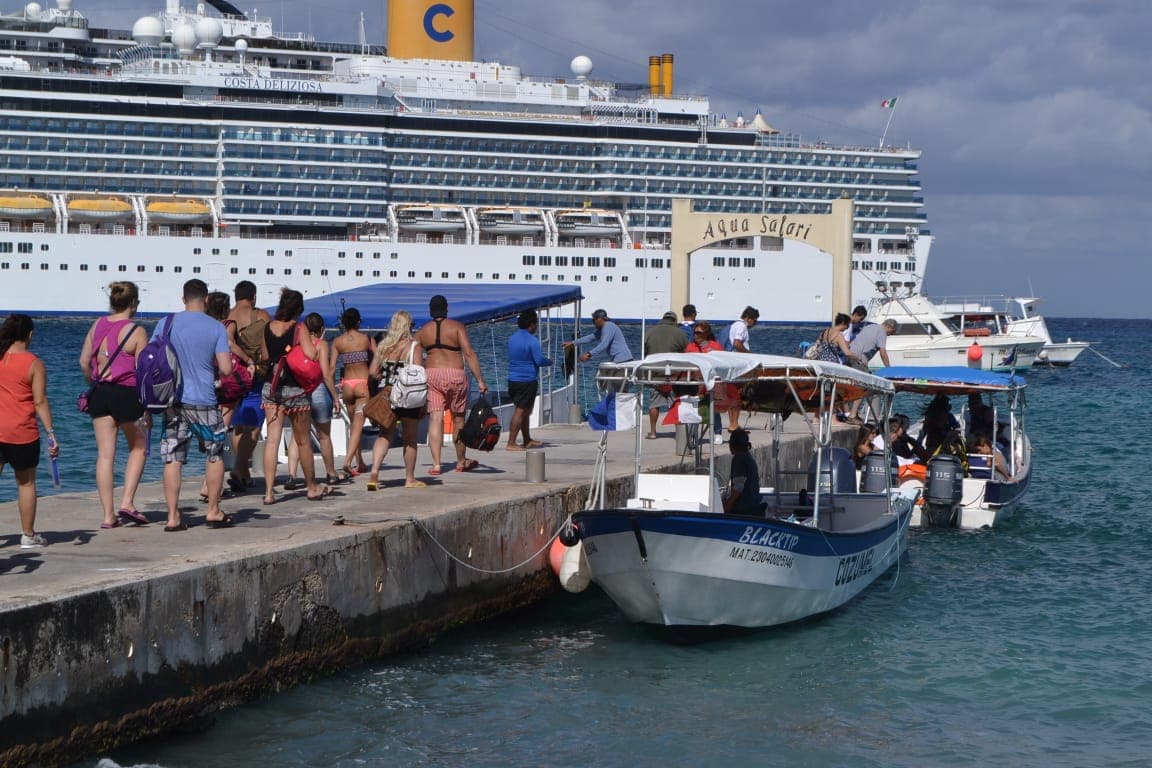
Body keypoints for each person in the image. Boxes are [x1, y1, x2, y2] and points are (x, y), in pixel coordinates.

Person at [156, 280, 233, 531]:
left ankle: (172, 517)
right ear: (207, 299)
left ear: (183, 299)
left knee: (173, 458)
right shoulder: (216, 328)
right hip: (205, 401)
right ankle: (213, 510)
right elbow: (226, 368)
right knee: (214, 454)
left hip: (173, 401)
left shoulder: (166, 323)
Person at [77, 282, 150, 529]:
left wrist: (93, 382)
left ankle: (108, 516)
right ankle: (127, 502)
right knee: (139, 446)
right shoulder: (137, 331)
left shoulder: (97, 324)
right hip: (127, 393)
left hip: (100, 393)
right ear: (134, 304)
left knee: (105, 455)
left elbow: (84, 362)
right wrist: (148, 406)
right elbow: (143, 372)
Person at [261, 288, 327, 504]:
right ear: (299, 309)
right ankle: (312, 487)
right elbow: (311, 354)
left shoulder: (267, 327)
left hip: (272, 387)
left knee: (272, 441)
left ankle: (269, 493)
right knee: (303, 442)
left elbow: (264, 356)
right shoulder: (299, 328)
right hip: (296, 390)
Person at [0, 314, 57, 548]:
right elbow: (40, 401)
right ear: (30, 335)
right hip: (21, 432)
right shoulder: (34, 363)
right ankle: (28, 535)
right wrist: (51, 433)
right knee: (25, 484)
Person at [416, 295, 488, 475]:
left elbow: (415, 358)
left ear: (430, 311)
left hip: (432, 374)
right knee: (458, 419)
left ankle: (436, 464)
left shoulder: (423, 331)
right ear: (447, 309)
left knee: (435, 419)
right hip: (455, 374)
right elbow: (469, 353)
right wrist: (480, 380)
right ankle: (461, 461)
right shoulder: (457, 327)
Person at [366, 310, 426, 490]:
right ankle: (409, 479)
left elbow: (371, 372)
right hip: (408, 396)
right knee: (410, 438)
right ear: (408, 326)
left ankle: (374, 474)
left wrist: (382, 378)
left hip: (387, 394)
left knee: (384, 435)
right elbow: (418, 373)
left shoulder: (384, 345)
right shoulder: (414, 346)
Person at [286, 313, 342, 487]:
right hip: (317, 390)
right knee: (324, 435)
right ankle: (331, 473)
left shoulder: (299, 343)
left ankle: (292, 475)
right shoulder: (321, 345)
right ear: (322, 329)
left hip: (300, 391)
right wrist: (335, 397)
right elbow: (325, 375)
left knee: (298, 437)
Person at [226, 280, 271, 493]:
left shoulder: (227, 317)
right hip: (256, 376)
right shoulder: (261, 315)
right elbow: (269, 343)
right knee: (253, 427)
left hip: (232, 376)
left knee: (238, 426)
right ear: (253, 296)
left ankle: (243, 474)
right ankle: (237, 470)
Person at [332, 307, 374, 477]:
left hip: (347, 385)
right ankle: (348, 462)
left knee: (353, 426)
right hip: (363, 384)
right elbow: (378, 358)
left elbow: (331, 368)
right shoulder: (367, 339)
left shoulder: (337, 342)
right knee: (358, 425)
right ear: (359, 322)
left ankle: (360, 462)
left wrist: (333, 393)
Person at [506, 309, 552, 451]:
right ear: (531, 325)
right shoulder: (532, 341)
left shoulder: (512, 338)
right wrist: (549, 361)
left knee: (524, 410)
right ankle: (511, 442)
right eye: (536, 324)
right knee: (521, 411)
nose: (536, 327)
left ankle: (527, 440)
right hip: (527, 380)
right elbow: (539, 360)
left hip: (513, 379)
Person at [643, 310, 687, 439]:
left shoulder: (650, 332)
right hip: (674, 375)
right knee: (676, 404)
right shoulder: (679, 333)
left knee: (654, 404)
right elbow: (687, 351)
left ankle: (653, 432)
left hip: (655, 374)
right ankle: (679, 433)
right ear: (674, 321)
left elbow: (645, 351)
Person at [845, 317, 895, 421]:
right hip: (858, 358)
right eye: (892, 332)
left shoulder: (871, 326)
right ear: (889, 327)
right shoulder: (882, 332)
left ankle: (846, 412)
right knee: (863, 385)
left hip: (849, 355)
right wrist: (889, 369)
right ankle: (852, 415)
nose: (891, 334)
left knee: (849, 385)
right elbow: (883, 352)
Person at [722, 306, 759, 434]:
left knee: (732, 394)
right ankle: (734, 424)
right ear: (748, 318)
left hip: (731, 363)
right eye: (755, 321)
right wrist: (749, 354)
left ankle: (733, 423)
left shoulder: (733, 325)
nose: (754, 324)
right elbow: (737, 343)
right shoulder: (742, 326)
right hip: (737, 364)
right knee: (737, 395)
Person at [563, 308, 633, 365]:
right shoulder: (604, 328)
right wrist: (573, 342)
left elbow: (604, 344)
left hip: (623, 362)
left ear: (599, 319)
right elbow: (590, 337)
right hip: (620, 361)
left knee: (605, 380)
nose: (593, 322)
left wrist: (589, 354)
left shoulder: (608, 326)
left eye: (593, 320)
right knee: (604, 380)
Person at [722, 428, 761, 515]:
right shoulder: (747, 456)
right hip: (752, 503)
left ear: (733, 444)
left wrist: (727, 505)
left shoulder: (739, 458)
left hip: (744, 508)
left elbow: (738, 487)